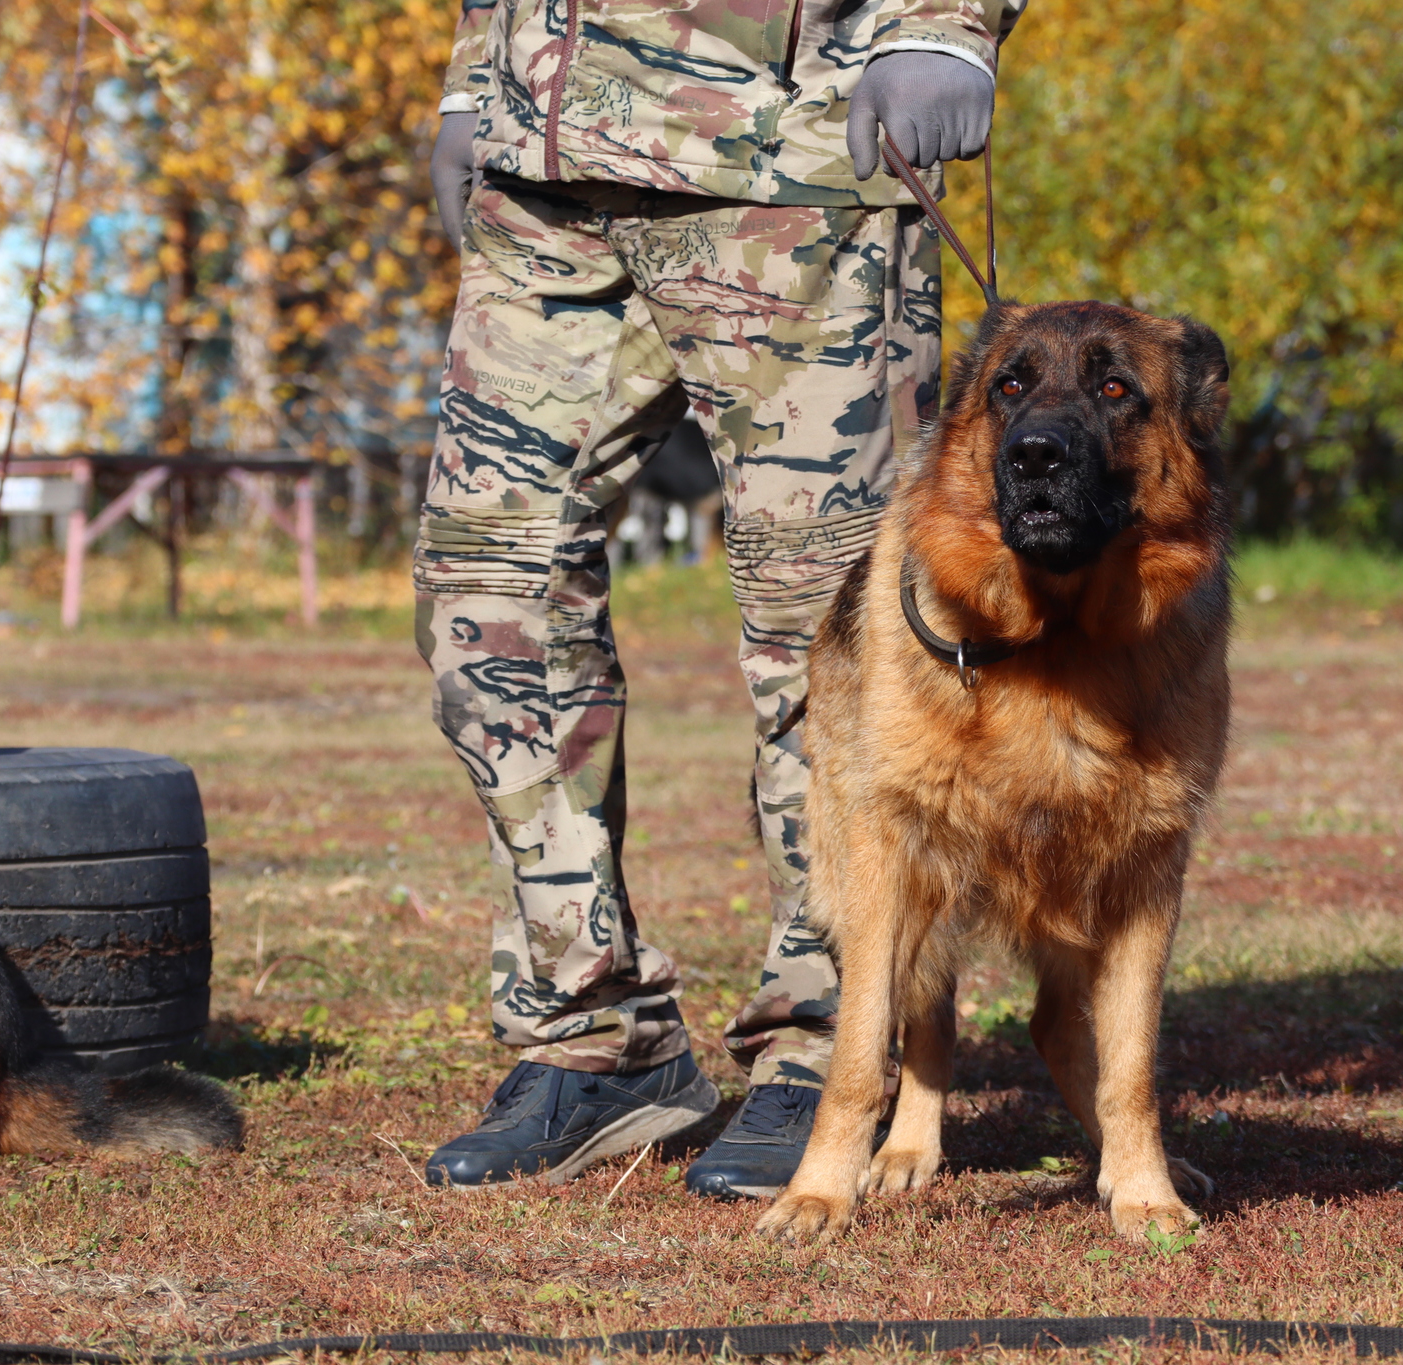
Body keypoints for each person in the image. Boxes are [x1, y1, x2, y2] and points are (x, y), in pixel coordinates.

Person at [417, 0, 1023, 1198]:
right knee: (488, 595)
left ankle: (827, 1043)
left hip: (794, 156)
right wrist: (469, 77)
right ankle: (593, 1036)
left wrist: (946, 26)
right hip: (543, 169)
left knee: (828, 634)